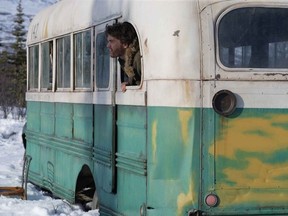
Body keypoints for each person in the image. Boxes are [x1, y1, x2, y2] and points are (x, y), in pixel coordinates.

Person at [106, 22, 141, 92]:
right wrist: (129, 83)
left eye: (111, 41)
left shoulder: (138, 59)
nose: (108, 45)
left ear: (124, 43)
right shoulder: (124, 61)